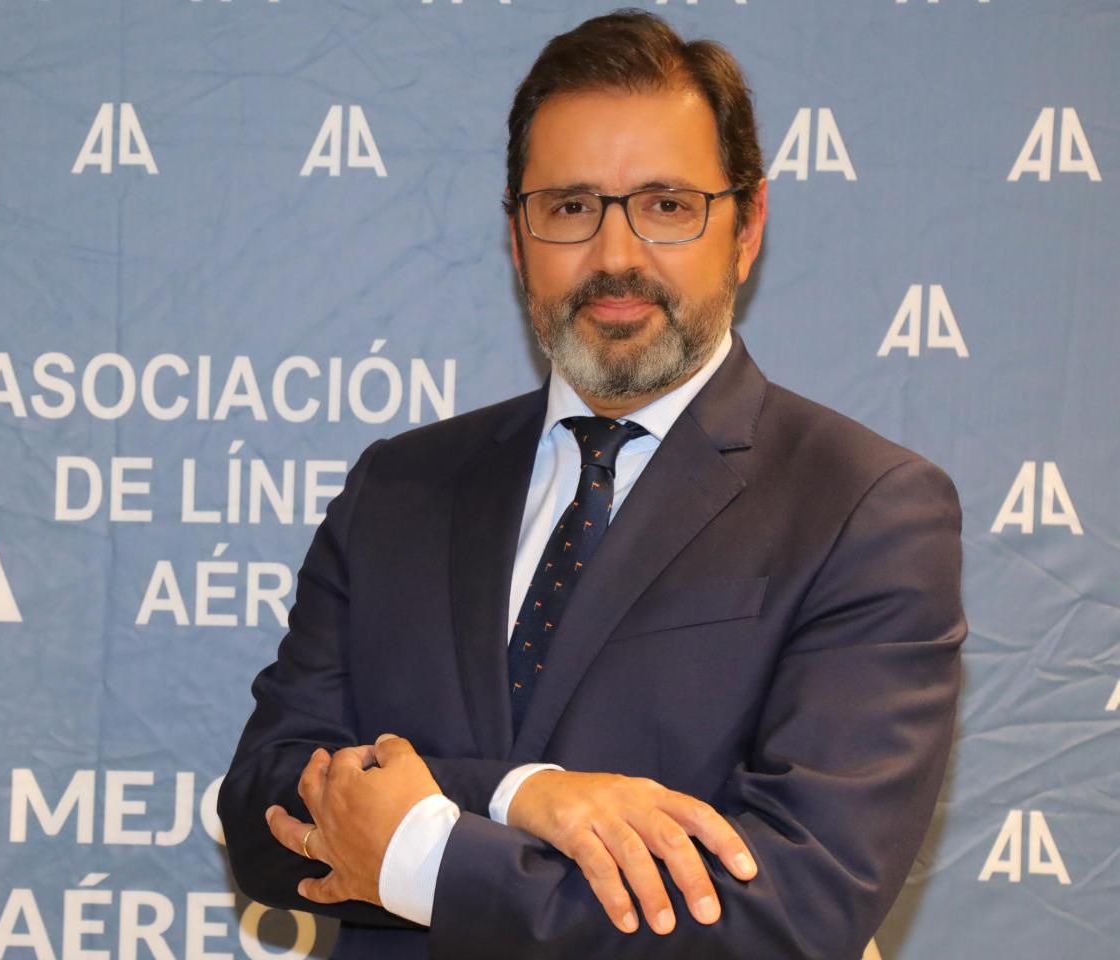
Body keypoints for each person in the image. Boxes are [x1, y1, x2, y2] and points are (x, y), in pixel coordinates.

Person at [217, 9, 965, 960]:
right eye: (571, 207)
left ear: (746, 228)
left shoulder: (863, 509)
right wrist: (521, 794)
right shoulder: (398, 488)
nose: (616, 256)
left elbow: (793, 911)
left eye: (667, 205)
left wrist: (423, 852)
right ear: (516, 235)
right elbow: (264, 814)